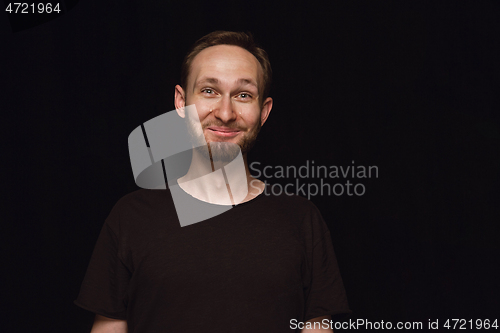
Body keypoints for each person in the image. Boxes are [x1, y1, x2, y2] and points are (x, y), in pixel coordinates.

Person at [75, 30, 351, 333]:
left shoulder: (301, 219)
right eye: (209, 91)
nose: (225, 112)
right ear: (181, 102)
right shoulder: (130, 217)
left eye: (243, 95)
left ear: (264, 112)